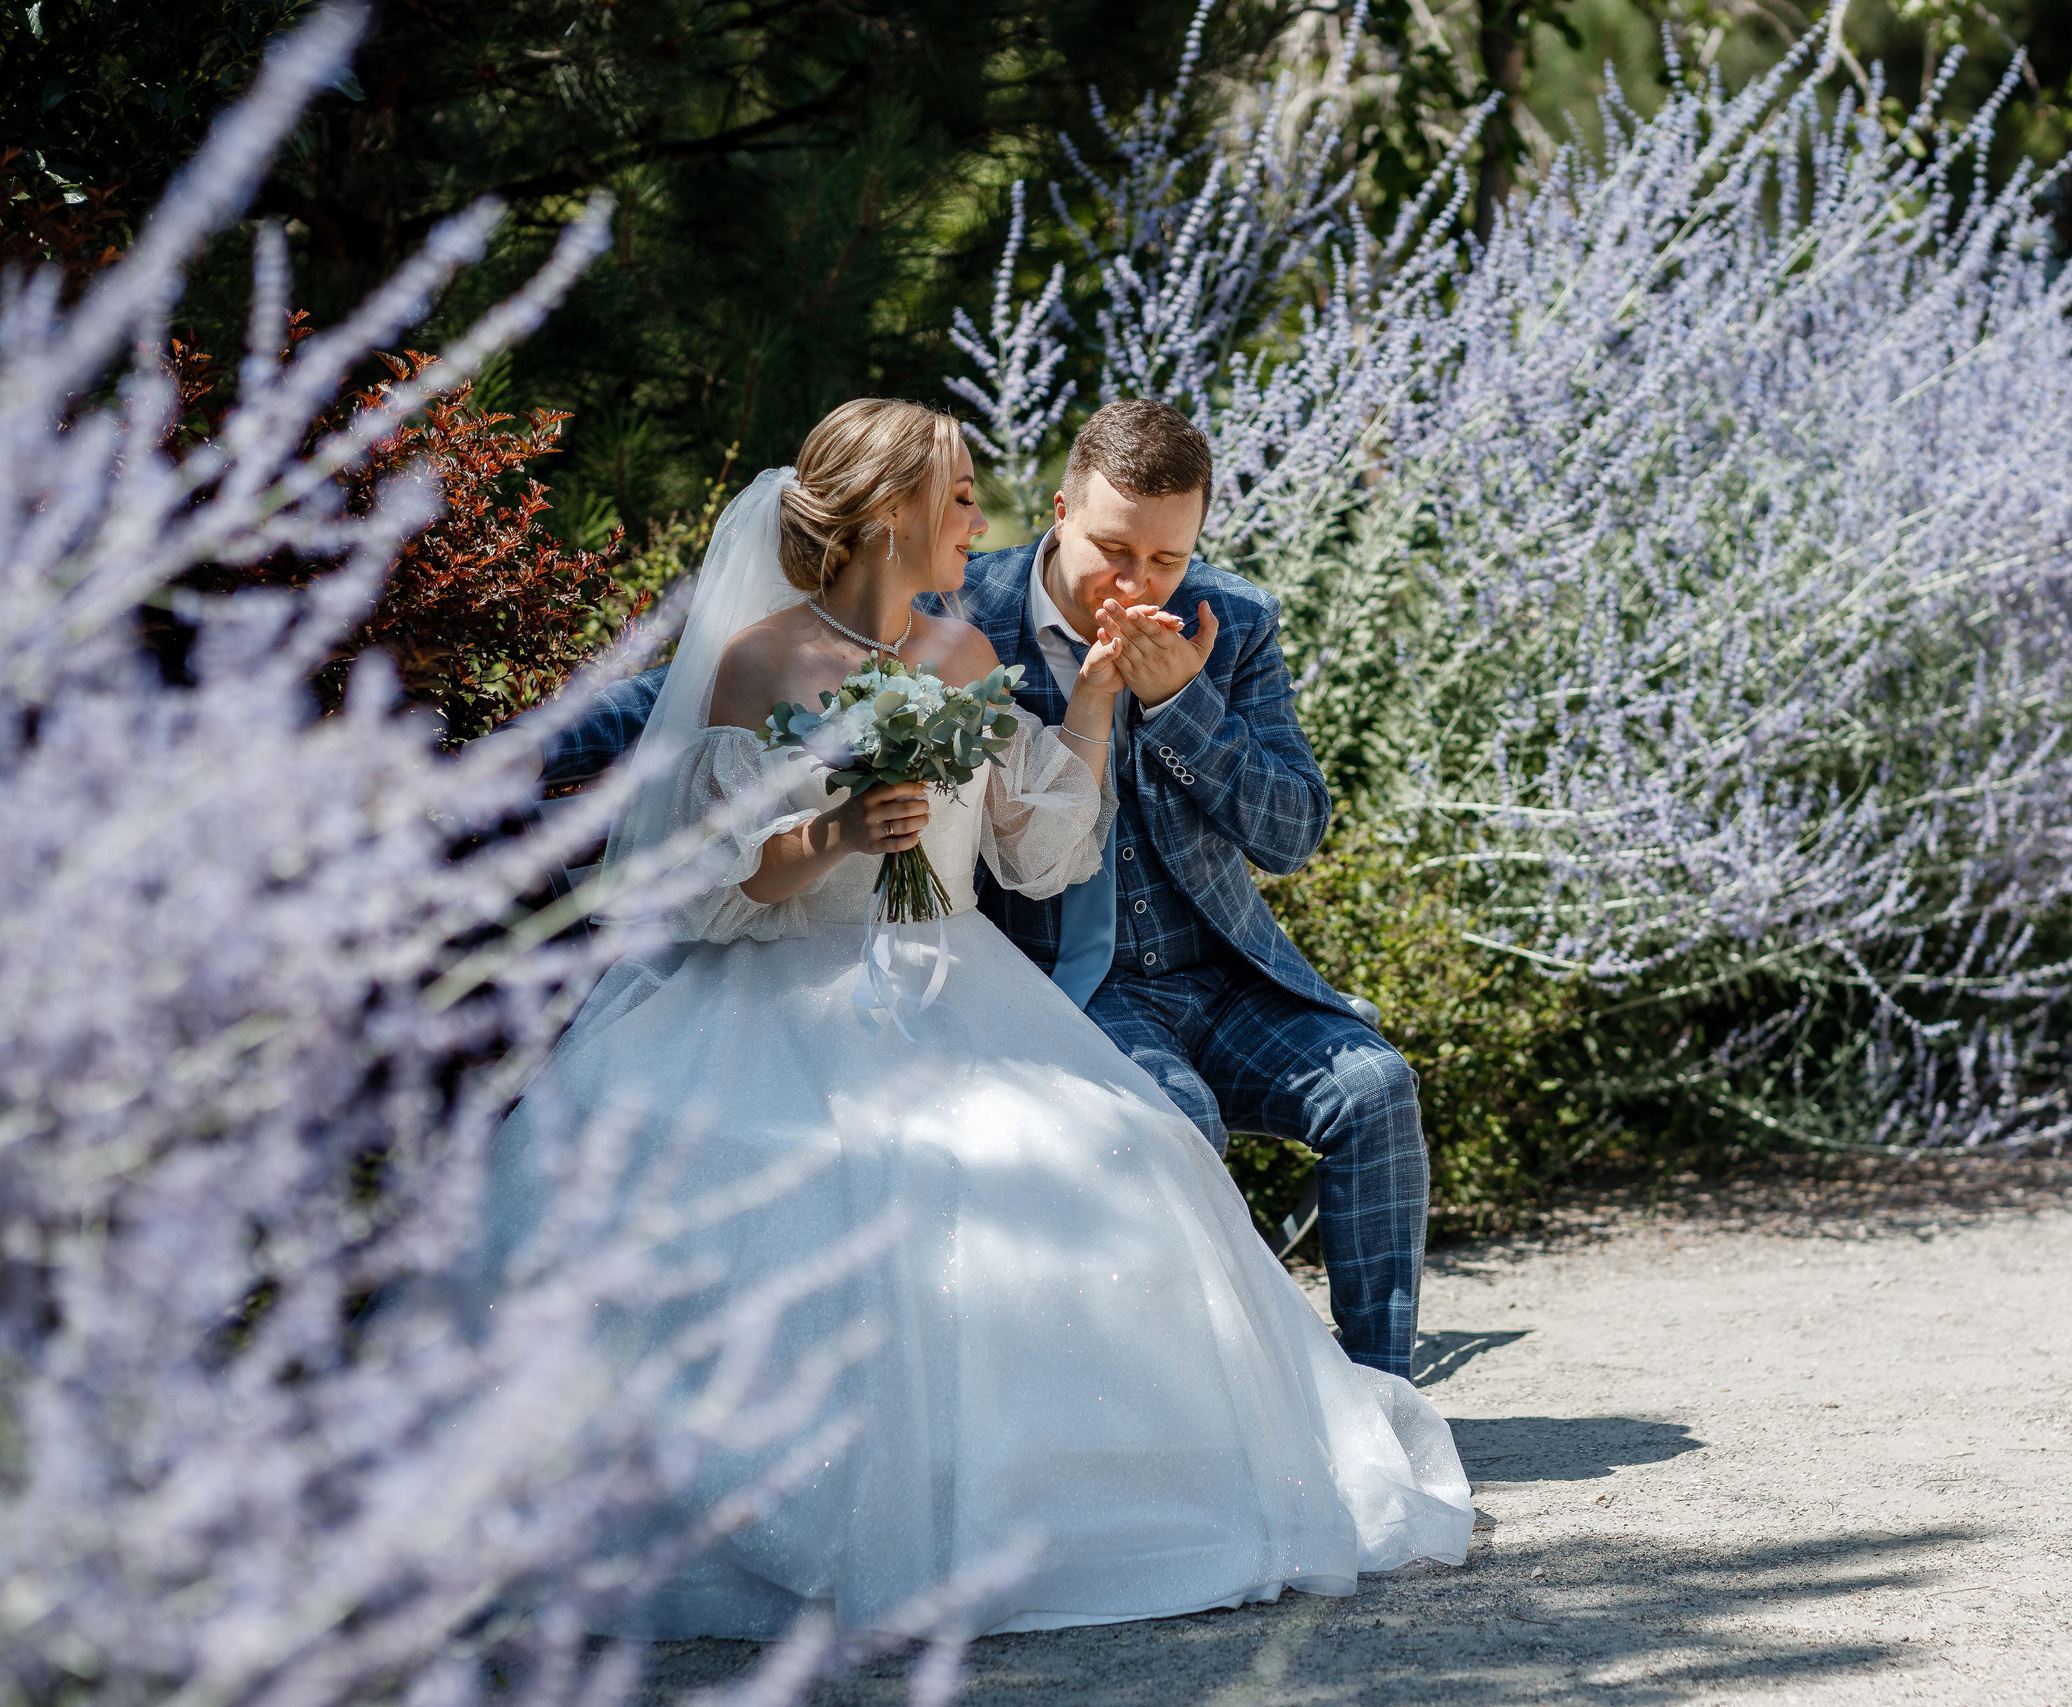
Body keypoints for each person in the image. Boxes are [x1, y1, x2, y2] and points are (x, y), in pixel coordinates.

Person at [490, 400, 1472, 1641]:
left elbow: (1136, 837)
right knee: (1091, 1141)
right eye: (962, 498)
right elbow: (698, 809)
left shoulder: (1100, 637)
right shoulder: (890, 630)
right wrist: (530, 758)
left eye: (1168, 557)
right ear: (909, 513)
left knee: (1238, 1122)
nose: (1137, 580)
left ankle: (1275, 1417)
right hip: (865, 987)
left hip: (1066, 974)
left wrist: (1142, 701)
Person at [957, 399, 1431, 1381]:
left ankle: (1383, 1400)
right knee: (1178, 1123)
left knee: (1375, 1089)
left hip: (1221, 974)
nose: (1137, 585)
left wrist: (1182, 703)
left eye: (1168, 559)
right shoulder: (964, 618)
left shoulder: (1233, 620)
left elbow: (1292, 833)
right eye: (1112, 550)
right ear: (1059, 512)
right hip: (1068, 984)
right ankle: (1218, 1405)